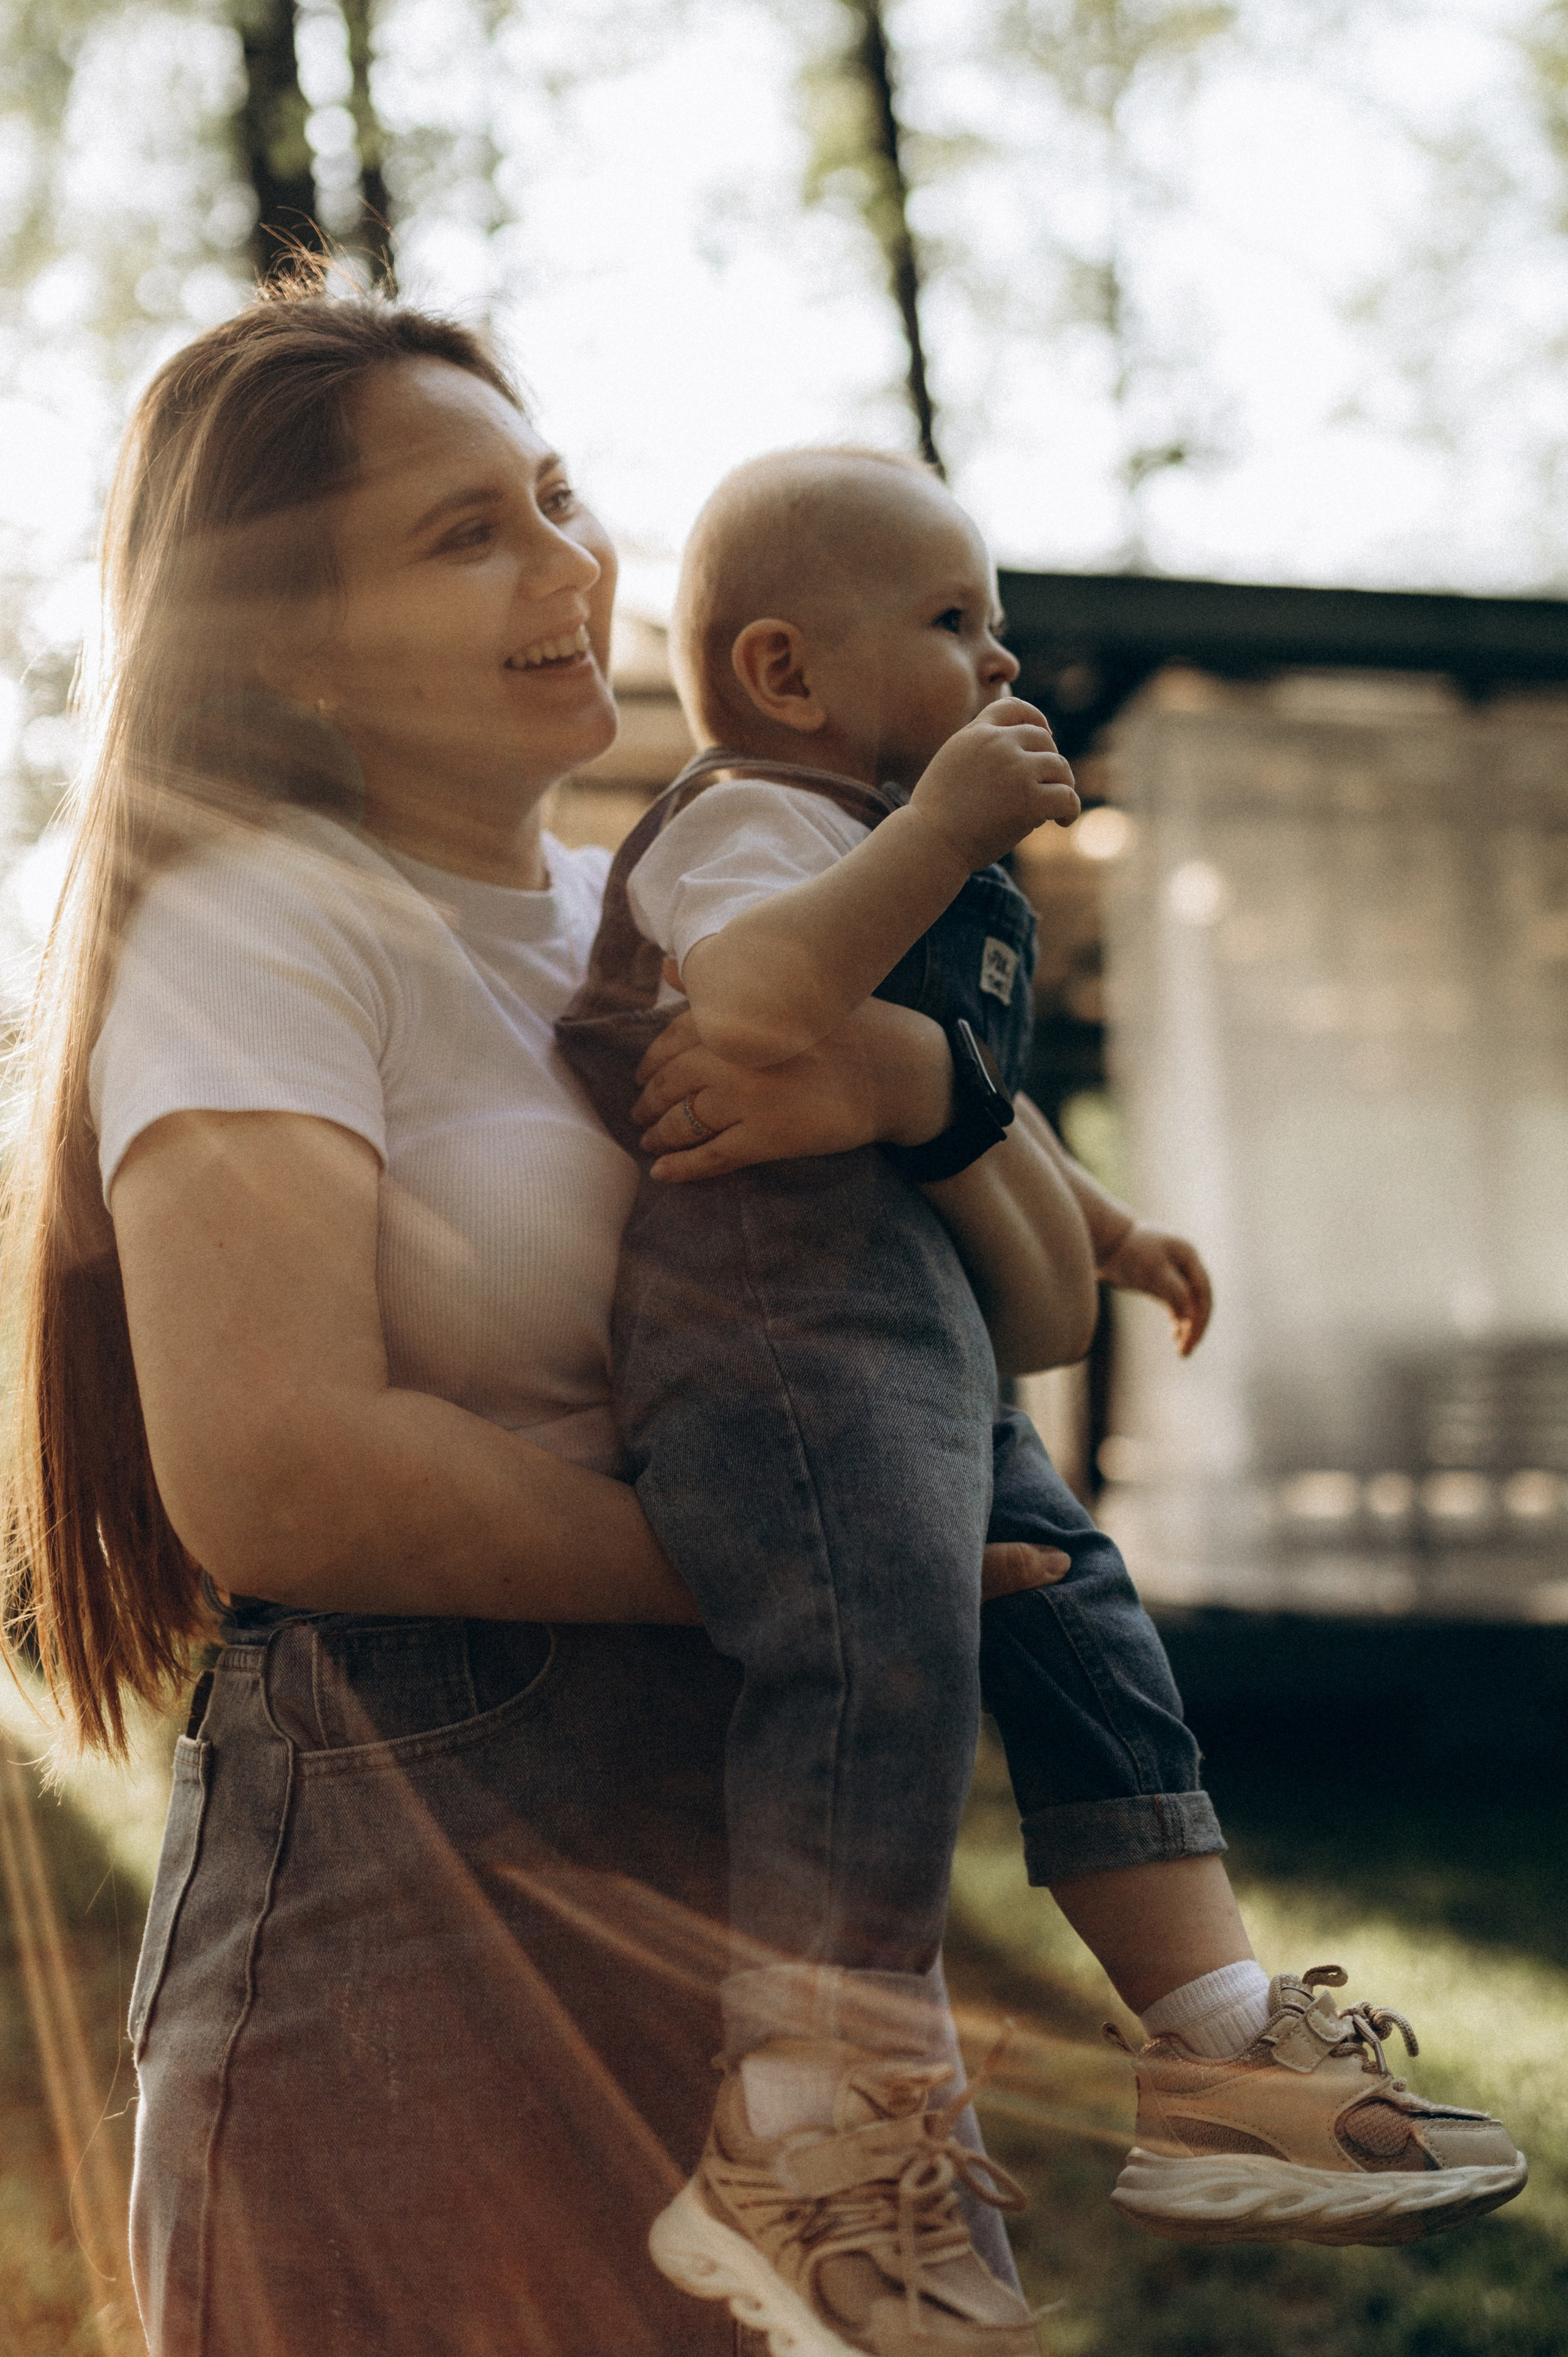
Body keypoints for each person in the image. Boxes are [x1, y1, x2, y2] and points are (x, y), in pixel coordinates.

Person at [0, 288, 1091, 2357]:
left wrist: (921, 1088)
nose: (570, 565)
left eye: (559, 496)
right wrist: (801, 1573)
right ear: (290, 646)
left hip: (765, 1886)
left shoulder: (687, 915)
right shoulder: (259, 926)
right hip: (416, 1903)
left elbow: (1035, 1309)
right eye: (463, 534)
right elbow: (277, 1473)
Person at [558, 446, 1527, 2349]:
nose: (1001, 661)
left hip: (931, 1355)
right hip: (776, 1352)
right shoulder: (750, 817)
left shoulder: (915, 858)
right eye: (953, 622)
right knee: (875, 1674)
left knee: (1089, 1635)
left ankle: (1222, 2056)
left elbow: (970, 1098)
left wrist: (1112, 1227)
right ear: (784, 671)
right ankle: (801, 2129)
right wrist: (937, 831)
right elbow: (755, 1007)